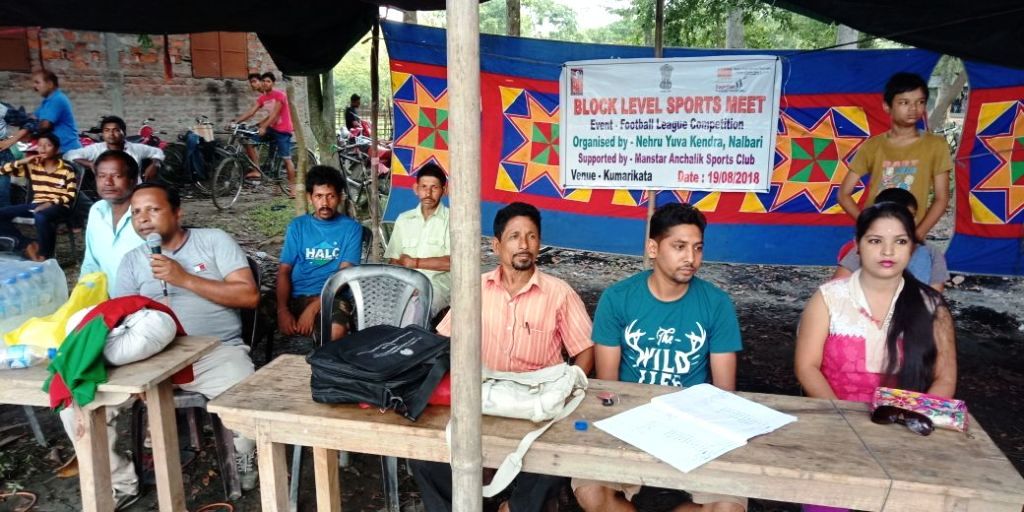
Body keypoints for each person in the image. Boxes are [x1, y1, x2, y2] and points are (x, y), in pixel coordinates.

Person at [411, 202, 594, 512]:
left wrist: (571, 385)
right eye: (514, 236)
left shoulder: (559, 293)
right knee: (425, 457)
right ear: (497, 245)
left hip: (538, 403)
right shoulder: (475, 288)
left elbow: (585, 350)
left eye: (531, 236)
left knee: (553, 459)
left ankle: (514, 507)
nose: (524, 245)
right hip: (482, 397)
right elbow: (443, 341)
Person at [573, 202, 746, 512]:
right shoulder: (618, 298)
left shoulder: (716, 303)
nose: (691, 258)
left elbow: (724, 394)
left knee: (727, 507)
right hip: (629, 420)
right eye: (679, 247)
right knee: (591, 493)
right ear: (653, 248)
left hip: (694, 423)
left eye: (697, 248)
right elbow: (610, 388)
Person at [794, 202, 957, 512]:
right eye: (875, 240)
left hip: (906, 437)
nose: (888, 251)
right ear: (857, 245)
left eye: (900, 241)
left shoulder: (932, 306)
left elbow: (945, 377)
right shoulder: (829, 298)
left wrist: (913, 422)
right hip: (835, 429)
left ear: (912, 247)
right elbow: (807, 366)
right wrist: (843, 420)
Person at [113, 183, 261, 491]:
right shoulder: (131, 261)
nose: (143, 219)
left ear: (177, 212)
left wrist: (184, 278)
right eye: (136, 212)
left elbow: (249, 296)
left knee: (249, 396)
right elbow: (120, 317)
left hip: (214, 353)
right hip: (149, 358)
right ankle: (121, 479)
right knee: (81, 399)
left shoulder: (213, 240)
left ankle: (245, 451)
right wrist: (135, 369)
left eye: (153, 209)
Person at [838, 72, 953, 241]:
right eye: (904, 102)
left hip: (911, 237)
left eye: (920, 102)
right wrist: (868, 225)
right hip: (874, 239)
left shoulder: (936, 145)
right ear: (887, 106)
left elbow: (942, 198)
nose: (913, 109)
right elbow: (843, 194)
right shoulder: (873, 146)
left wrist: (916, 236)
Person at [276, 165, 362, 342]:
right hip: (295, 296)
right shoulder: (298, 226)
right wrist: (282, 310)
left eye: (331, 196)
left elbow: (344, 275)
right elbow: (284, 270)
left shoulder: (351, 229)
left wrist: (315, 306)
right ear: (310, 198)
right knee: (251, 315)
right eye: (319, 196)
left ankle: (324, 360)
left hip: (332, 296)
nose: (324, 203)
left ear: (339, 197)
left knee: (335, 330)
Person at [833, 187, 948, 292]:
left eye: (910, 216)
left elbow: (935, 296)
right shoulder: (865, 249)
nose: (904, 222)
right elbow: (836, 289)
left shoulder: (930, 252)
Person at [384, 163, 451, 321]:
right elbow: (394, 260)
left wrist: (414, 263)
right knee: (378, 303)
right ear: (416, 189)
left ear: (444, 190)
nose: (428, 193)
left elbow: (453, 263)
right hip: (404, 282)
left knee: (415, 308)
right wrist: (404, 284)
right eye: (424, 187)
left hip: (436, 286)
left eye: (434, 188)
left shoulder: (453, 219)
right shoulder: (403, 219)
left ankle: (410, 338)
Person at [0, 132, 76, 261]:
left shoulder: (66, 169)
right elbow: (2, 170)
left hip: (59, 206)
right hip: (36, 205)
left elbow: (70, 194)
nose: (43, 148)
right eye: (40, 145)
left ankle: (44, 254)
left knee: (41, 216)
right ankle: (25, 243)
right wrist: (24, 161)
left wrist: (50, 203)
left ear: (57, 149)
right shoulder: (33, 166)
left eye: (48, 145)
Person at [79, 150, 144, 291]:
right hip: (111, 300)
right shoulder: (97, 210)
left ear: (133, 180)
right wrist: (83, 293)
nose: (108, 182)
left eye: (117, 176)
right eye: (102, 176)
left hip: (147, 301)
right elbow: (91, 262)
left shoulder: (147, 215)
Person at [233, 72, 295, 186]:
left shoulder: (279, 95)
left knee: (286, 159)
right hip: (272, 128)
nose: (265, 83)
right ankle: (257, 170)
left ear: (273, 83)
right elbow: (251, 112)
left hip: (283, 130)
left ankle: (293, 187)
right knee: (248, 140)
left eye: (268, 81)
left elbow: (275, 114)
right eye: (264, 81)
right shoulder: (262, 98)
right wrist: (236, 121)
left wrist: (263, 126)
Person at [64, 115, 165, 182]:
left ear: (123, 132)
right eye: (107, 130)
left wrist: (155, 164)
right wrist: (90, 164)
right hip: (108, 193)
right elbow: (69, 155)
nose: (111, 134)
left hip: (135, 192)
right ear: (103, 134)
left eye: (116, 130)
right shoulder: (96, 149)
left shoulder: (135, 148)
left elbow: (158, 152)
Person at [2, 70, 82, 153]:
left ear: (50, 84)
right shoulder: (47, 102)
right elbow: (32, 118)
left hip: (67, 150)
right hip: (56, 150)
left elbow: (44, 125)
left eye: (37, 82)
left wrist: (18, 137)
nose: (34, 86)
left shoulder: (57, 99)